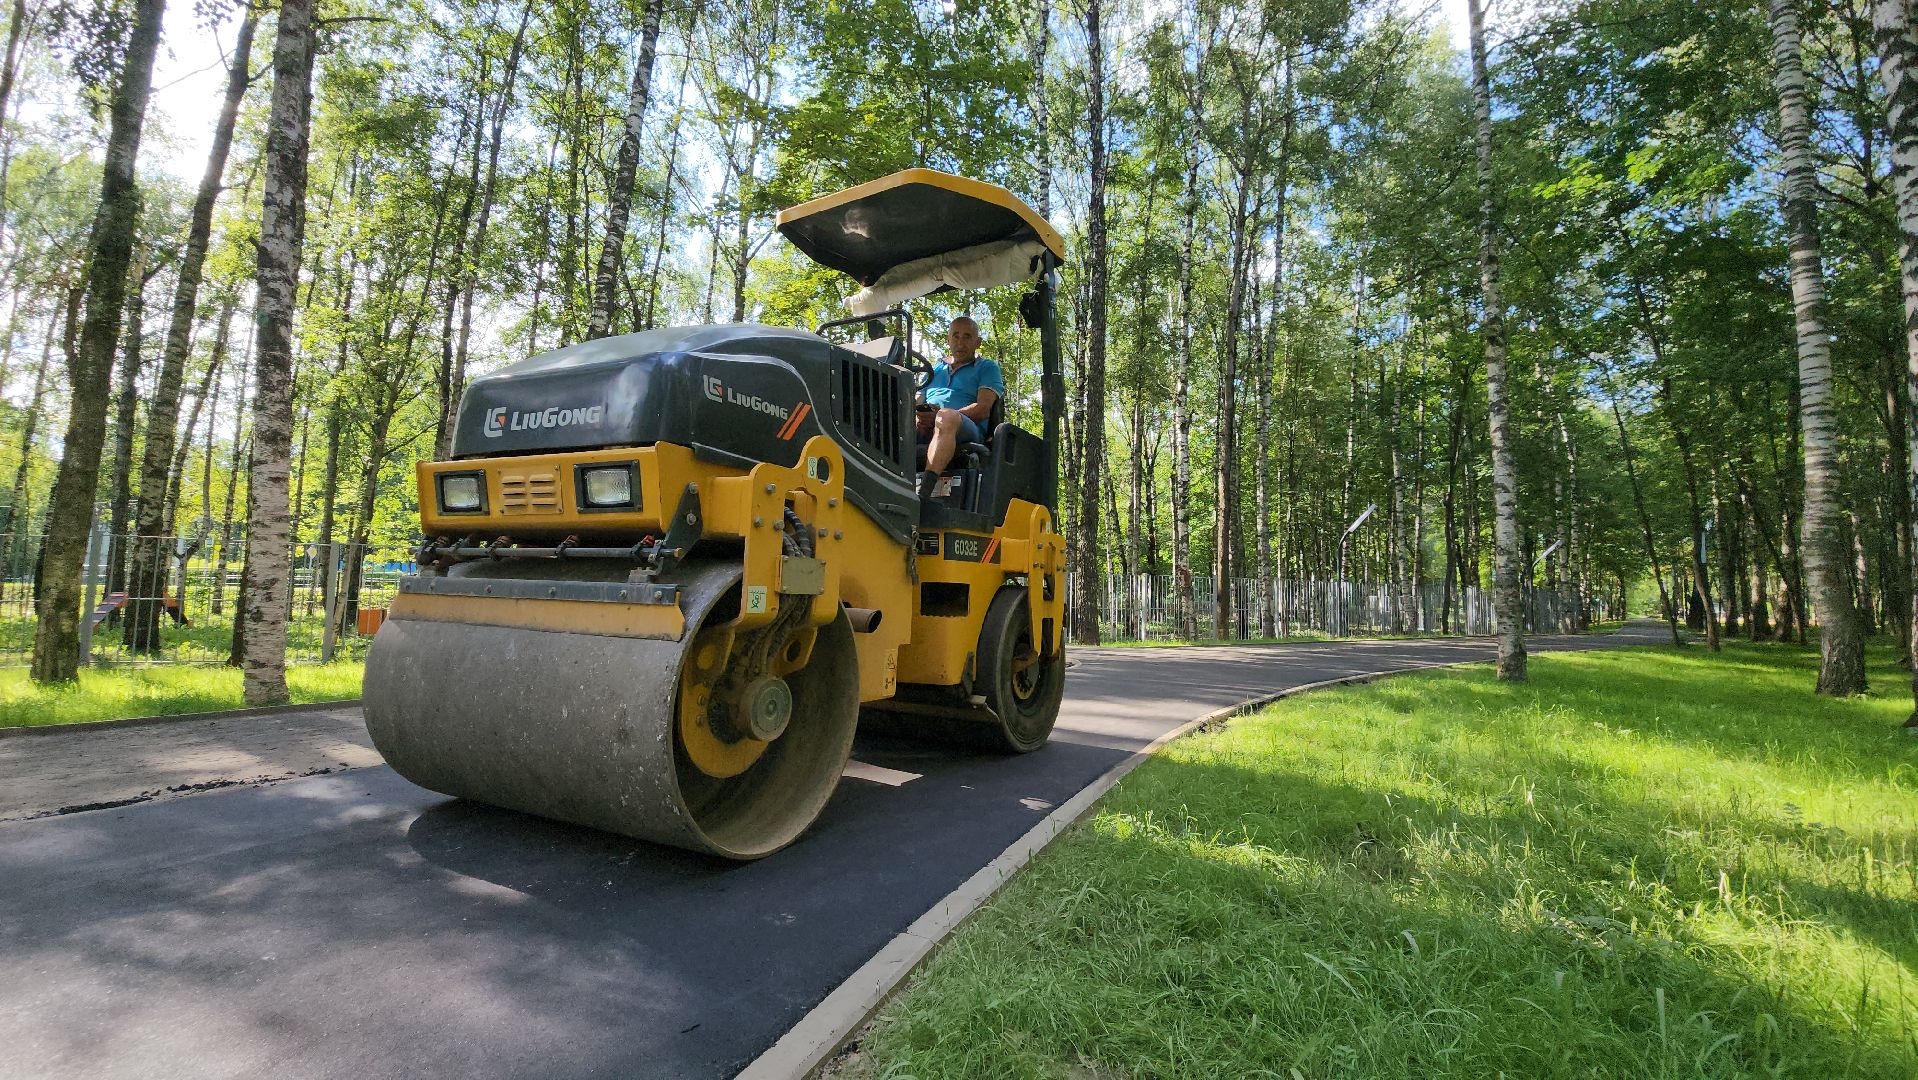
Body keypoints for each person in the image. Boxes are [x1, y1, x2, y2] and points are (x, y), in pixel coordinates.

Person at [916, 316, 1005, 491]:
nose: (960, 342)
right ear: (948, 340)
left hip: (966, 428)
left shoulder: (987, 367)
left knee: (946, 417)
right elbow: (915, 400)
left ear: (977, 342)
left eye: (967, 337)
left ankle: (924, 491)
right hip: (931, 424)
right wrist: (919, 415)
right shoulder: (934, 370)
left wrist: (939, 416)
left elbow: (983, 409)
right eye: (955, 336)